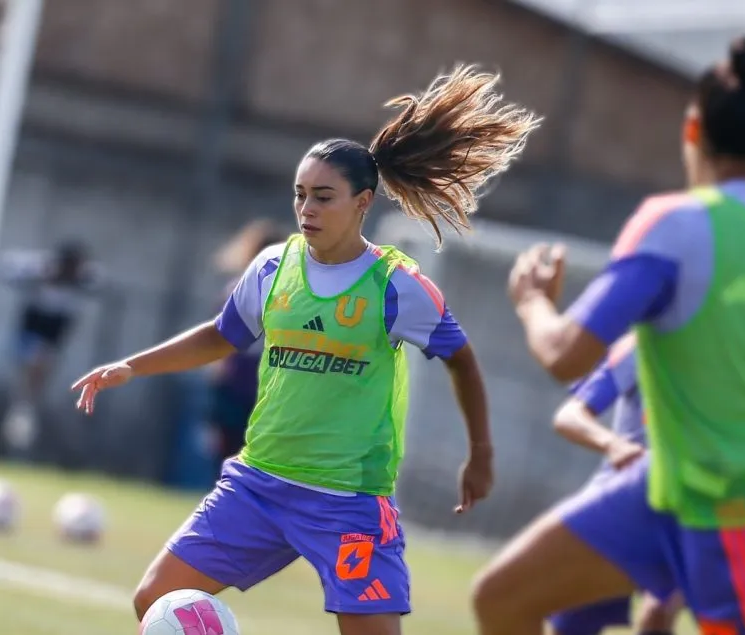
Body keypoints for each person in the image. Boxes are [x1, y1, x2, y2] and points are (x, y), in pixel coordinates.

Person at [71, 65, 541, 635]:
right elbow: (222, 335)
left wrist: (482, 452)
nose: (307, 209)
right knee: (157, 602)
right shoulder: (274, 268)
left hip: (347, 502)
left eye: (324, 197)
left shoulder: (395, 285)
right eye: (300, 196)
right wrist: (130, 366)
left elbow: (461, 358)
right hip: (258, 484)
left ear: (363, 202)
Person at [475, 35, 745, 635]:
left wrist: (531, 304)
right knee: (501, 596)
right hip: (659, 497)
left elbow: (562, 352)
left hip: (744, 514)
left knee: (503, 604)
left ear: (692, 129)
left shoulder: (669, 225)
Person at [548, 333, 685, 635]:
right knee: (572, 625)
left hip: (685, 507)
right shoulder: (641, 344)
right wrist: (614, 445)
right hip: (619, 505)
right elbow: (569, 415)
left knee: (658, 612)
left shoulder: (736, 355)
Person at [0, 240, 102, 452]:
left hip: (54, 335)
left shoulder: (82, 278)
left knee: (41, 371)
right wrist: (40, 274)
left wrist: (78, 277)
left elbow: (98, 280)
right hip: (33, 330)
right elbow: (9, 267)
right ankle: (22, 407)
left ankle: (26, 407)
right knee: (35, 364)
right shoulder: (41, 268)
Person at [205, 219, 288, 466]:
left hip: (246, 386)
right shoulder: (242, 290)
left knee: (231, 462)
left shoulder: (286, 293)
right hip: (256, 387)